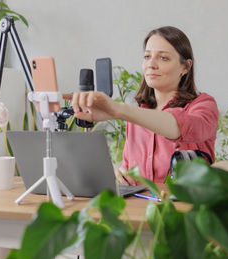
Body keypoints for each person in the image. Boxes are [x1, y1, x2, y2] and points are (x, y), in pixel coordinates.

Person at [72, 26, 219, 185]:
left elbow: (180, 127)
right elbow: (128, 169)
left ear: (185, 67)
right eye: (147, 56)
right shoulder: (136, 115)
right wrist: (121, 177)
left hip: (186, 207)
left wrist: (119, 110)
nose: (151, 64)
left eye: (163, 58)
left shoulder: (203, 105)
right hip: (139, 208)